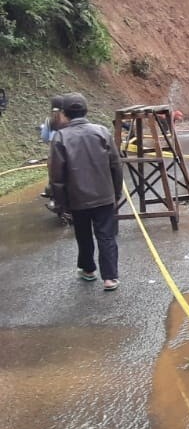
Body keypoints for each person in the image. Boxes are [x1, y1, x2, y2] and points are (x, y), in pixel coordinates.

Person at [47, 93, 123, 291]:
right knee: (106, 235)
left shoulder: (60, 137)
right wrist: (115, 193)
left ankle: (89, 270)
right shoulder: (102, 131)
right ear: (86, 111)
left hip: (77, 199)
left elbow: (57, 176)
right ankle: (110, 278)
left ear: (64, 114)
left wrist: (62, 204)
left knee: (83, 235)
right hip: (104, 196)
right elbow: (116, 165)